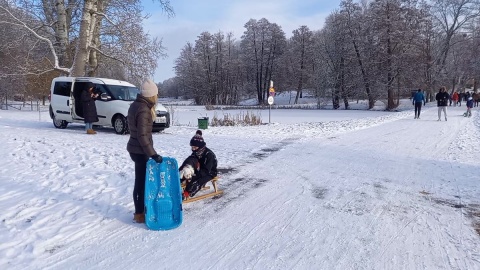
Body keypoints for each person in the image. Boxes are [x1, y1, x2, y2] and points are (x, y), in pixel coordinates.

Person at [126, 79, 163, 223]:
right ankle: (139, 213)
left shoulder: (136, 105)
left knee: (140, 181)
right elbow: (142, 136)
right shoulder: (144, 110)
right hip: (140, 151)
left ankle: (140, 210)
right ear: (152, 95)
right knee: (140, 183)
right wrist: (153, 154)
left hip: (135, 149)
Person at [180, 130, 218, 200]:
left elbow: (206, 170)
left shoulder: (209, 155)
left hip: (210, 172)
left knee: (198, 180)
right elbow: (191, 160)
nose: (193, 149)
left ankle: (187, 193)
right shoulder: (196, 152)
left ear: (200, 147)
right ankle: (178, 179)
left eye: (195, 147)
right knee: (190, 160)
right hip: (200, 168)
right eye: (192, 147)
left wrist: (195, 176)